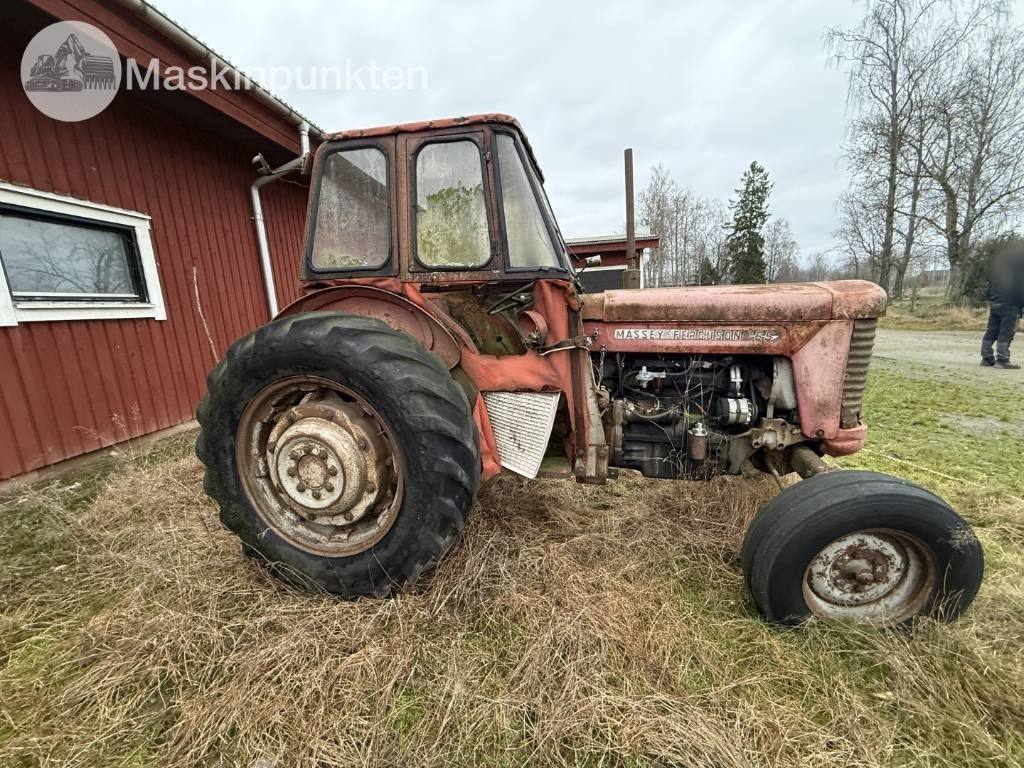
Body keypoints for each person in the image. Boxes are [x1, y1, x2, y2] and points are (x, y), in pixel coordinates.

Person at [981, 242, 1024, 369]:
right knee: (1006, 333)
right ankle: (1003, 359)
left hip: (994, 306)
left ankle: (986, 358)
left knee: (991, 332)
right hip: (1011, 307)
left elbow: (986, 292)